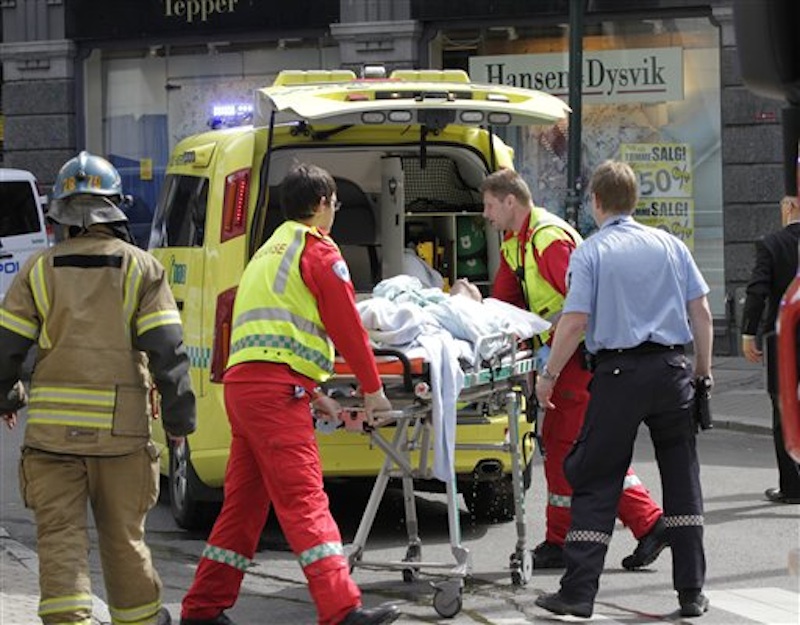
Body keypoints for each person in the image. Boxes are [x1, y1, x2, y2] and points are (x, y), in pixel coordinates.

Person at [180, 164, 399, 625]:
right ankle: (342, 609)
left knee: (242, 509)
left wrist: (314, 392)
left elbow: (273, 333)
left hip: (248, 390)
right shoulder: (317, 250)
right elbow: (347, 326)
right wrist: (374, 390)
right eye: (335, 204)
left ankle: (202, 609)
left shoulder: (266, 252)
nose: (334, 213)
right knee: (305, 500)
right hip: (275, 394)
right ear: (322, 204)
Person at [0, 151, 197, 625]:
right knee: (124, 539)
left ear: (61, 214)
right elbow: (169, 352)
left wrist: (6, 397)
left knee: (60, 539)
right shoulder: (142, 269)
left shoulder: (37, 271)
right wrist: (179, 423)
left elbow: (6, 349)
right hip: (121, 438)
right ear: (115, 207)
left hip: (51, 439)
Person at [533, 160, 713, 618]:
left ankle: (578, 593)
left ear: (595, 201)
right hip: (673, 370)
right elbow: (703, 315)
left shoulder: (590, 252)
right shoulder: (671, 245)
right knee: (682, 481)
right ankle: (691, 592)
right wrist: (701, 375)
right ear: (634, 200)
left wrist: (548, 376)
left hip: (617, 376)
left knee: (596, 477)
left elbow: (574, 323)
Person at [480, 168, 667, 570]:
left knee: (577, 449)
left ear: (511, 201)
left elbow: (581, 305)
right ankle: (581, 535)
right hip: (564, 357)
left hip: (577, 358)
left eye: (490, 205)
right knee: (571, 447)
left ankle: (642, 523)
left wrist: (548, 358)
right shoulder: (518, 242)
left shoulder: (548, 240)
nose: (486, 214)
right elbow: (504, 304)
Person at [741, 194, 800, 504]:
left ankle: (791, 487)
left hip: (784, 339)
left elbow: (757, 291)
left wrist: (748, 332)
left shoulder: (771, 244)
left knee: (783, 408)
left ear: (788, 207)